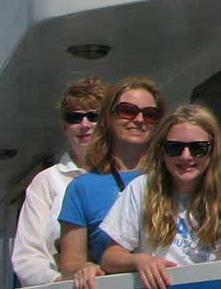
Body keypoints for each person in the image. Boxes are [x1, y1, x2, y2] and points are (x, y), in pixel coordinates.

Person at [91, 104, 221, 289]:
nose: (185, 156)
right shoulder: (142, 188)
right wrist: (138, 261)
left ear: (213, 151)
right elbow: (110, 257)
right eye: (174, 148)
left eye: (197, 148)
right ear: (161, 150)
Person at [58, 77, 163, 285]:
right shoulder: (81, 188)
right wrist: (84, 268)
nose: (139, 119)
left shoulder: (173, 177)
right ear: (108, 117)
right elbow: (70, 263)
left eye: (150, 114)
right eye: (127, 111)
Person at [12, 78, 106, 286]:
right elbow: (27, 258)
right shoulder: (46, 182)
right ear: (64, 125)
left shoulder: (128, 178)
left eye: (94, 116)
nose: (85, 125)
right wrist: (64, 282)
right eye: (75, 117)